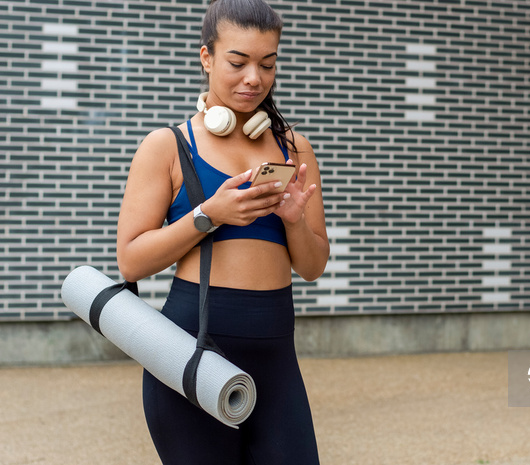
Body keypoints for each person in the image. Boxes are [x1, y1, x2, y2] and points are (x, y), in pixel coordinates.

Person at [116, 0, 328, 463]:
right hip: (191, 353)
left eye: (267, 63)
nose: (254, 77)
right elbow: (131, 260)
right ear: (206, 57)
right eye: (238, 62)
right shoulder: (168, 146)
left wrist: (293, 220)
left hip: (276, 357)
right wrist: (210, 213)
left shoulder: (294, 147)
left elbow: (312, 267)